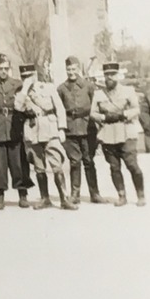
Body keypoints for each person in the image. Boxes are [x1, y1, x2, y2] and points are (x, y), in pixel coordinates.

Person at [14, 64, 76, 210]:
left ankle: (64, 199)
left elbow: (59, 108)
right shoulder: (20, 92)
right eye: (23, 77)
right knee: (39, 167)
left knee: (56, 165)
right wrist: (25, 88)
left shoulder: (48, 88)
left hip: (50, 129)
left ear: (35, 74)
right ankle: (45, 198)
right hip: (32, 130)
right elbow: (17, 107)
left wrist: (61, 128)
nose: (26, 79)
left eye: (29, 76)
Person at [91, 61, 146, 207]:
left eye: (112, 74)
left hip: (126, 132)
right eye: (107, 75)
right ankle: (122, 196)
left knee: (132, 165)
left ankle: (141, 195)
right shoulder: (98, 94)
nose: (109, 77)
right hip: (108, 133)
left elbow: (136, 109)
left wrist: (123, 114)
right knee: (114, 167)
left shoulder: (128, 91)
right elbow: (93, 113)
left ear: (118, 75)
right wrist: (104, 117)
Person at [0, 53, 32, 209]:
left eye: (6, 68)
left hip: (14, 126)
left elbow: (25, 104)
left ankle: (23, 195)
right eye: (0, 69)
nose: (3, 71)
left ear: (10, 68)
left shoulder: (18, 85)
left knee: (18, 163)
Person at [57, 55, 105, 204]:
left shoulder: (88, 86)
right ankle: (75, 194)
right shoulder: (61, 88)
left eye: (73, 69)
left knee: (89, 161)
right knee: (74, 162)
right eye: (68, 69)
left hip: (87, 127)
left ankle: (94, 193)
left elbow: (96, 106)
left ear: (78, 69)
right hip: (70, 129)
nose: (71, 72)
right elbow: (59, 109)